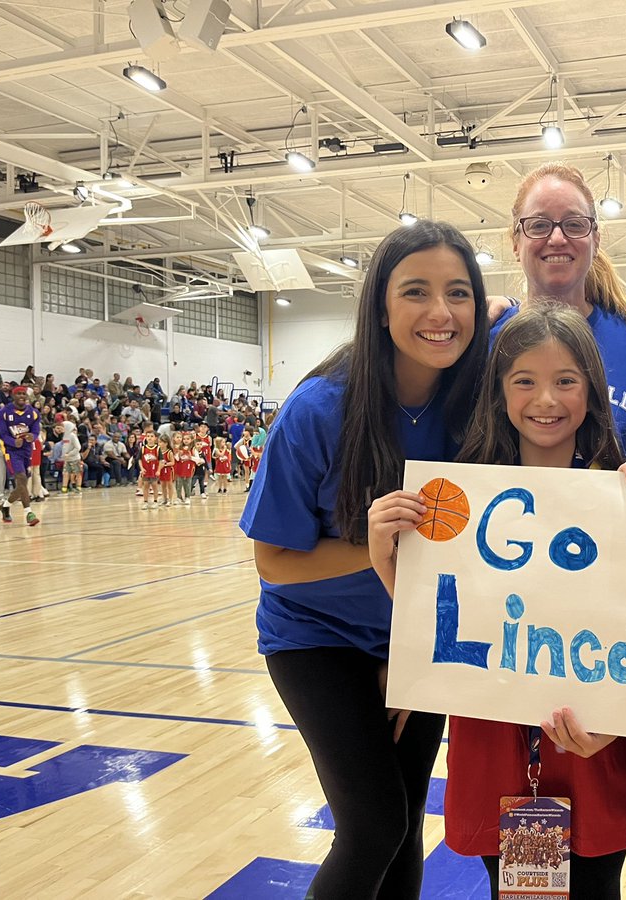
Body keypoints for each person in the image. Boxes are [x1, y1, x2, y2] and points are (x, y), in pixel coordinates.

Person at [368, 302, 626, 897]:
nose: (545, 400)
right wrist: (384, 559)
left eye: (566, 381)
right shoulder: (461, 497)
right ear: (499, 394)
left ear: (592, 392)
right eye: (524, 381)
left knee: (597, 888)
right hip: (493, 746)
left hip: (593, 743)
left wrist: (620, 720)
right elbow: (440, 627)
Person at [238, 221, 489, 898]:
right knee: (373, 825)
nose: (440, 312)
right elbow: (274, 562)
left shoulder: (476, 404)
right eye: (416, 292)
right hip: (316, 639)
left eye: (458, 293)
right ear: (380, 307)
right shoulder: (319, 410)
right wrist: (372, 549)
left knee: (404, 824)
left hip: (417, 639)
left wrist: (410, 658)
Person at [492, 162, 626, 457]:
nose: (557, 239)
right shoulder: (487, 339)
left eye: (574, 224)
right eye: (538, 225)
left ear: (595, 240)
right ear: (515, 242)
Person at [0, 386, 40, 526]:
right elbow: (3, 435)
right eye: (18, 393)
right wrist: (13, 442)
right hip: (11, 451)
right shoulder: (2, 413)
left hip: (27, 450)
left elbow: (36, 431)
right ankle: (29, 513)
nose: (21, 396)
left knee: (22, 484)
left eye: (23, 394)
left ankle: (5, 506)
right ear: (13, 396)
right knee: (21, 478)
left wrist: (32, 436)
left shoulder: (34, 413)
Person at [138, 433, 161, 509]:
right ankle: (145, 502)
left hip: (154, 470)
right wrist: (142, 468)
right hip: (146, 470)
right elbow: (139, 459)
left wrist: (158, 470)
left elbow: (161, 461)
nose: (150, 438)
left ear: (155, 438)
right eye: (148, 436)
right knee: (146, 485)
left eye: (152, 436)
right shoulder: (143, 448)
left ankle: (155, 501)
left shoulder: (157, 448)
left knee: (154, 485)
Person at [172, 431, 194, 506]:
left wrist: (191, 457)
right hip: (179, 468)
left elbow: (199, 459)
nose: (185, 440)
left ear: (191, 440)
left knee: (187, 483)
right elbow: (176, 458)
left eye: (188, 439)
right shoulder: (179, 448)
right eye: (184, 439)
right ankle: (179, 497)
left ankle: (188, 497)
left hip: (189, 468)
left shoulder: (193, 449)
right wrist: (178, 454)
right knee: (178, 483)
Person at [156, 433, 175, 507]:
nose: (159, 443)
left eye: (161, 442)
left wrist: (165, 464)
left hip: (168, 470)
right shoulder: (158, 452)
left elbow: (173, 462)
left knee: (169, 485)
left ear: (166, 443)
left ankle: (170, 500)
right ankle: (164, 499)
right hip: (161, 470)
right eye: (159, 442)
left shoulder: (169, 452)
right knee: (163, 485)